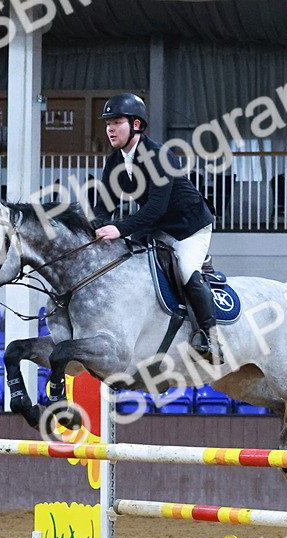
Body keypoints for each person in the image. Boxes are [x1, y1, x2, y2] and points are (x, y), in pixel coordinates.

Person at [90, 93, 220, 363]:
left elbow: (155, 208)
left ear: (136, 125)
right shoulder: (115, 162)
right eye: (108, 123)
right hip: (158, 226)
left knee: (187, 270)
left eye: (117, 122)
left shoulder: (160, 156)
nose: (110, 129)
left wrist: (119, 229)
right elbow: (104, 205)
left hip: (188, 226)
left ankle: (211, 338)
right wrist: (97, 227)